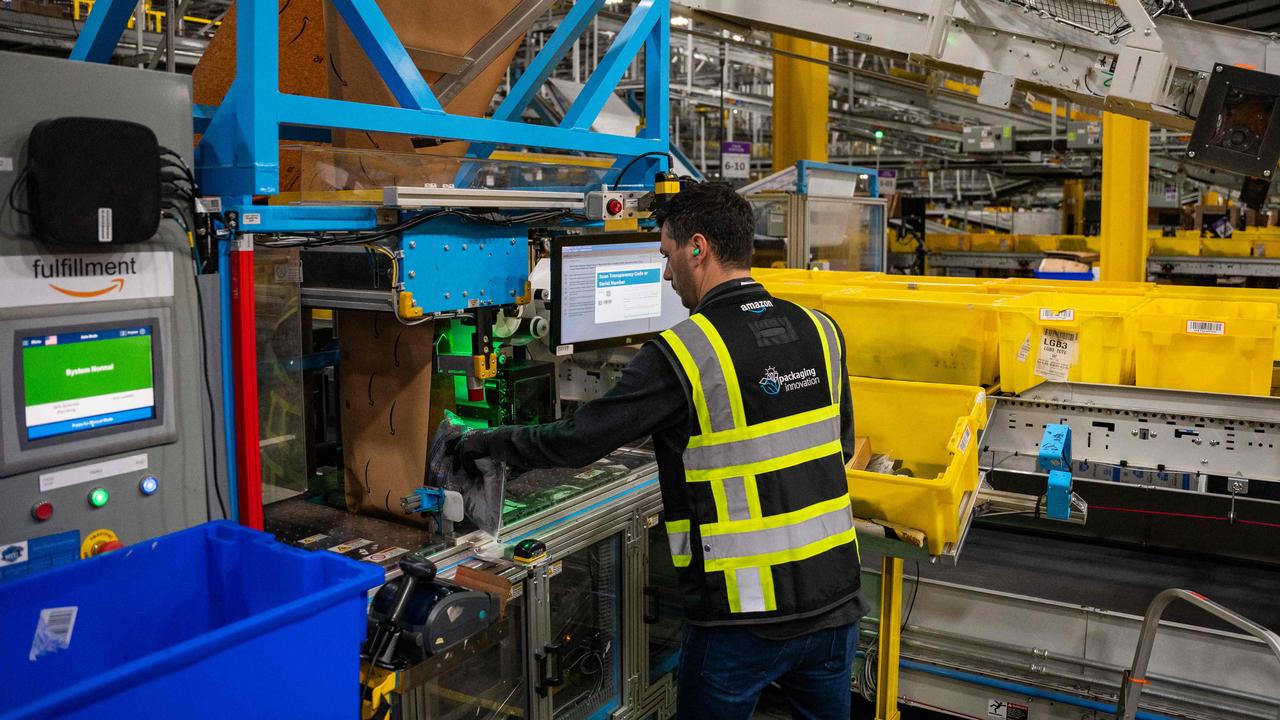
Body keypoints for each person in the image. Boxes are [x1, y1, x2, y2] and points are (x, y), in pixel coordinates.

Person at [454, 181, 867, 719]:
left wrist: (485, 443)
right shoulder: (822, 331)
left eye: (668, 255)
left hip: (739, 618)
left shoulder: (685, 352)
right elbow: (835, 444)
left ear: (698, 248)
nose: (667, 274)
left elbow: (579, 441)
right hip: (835, 602)